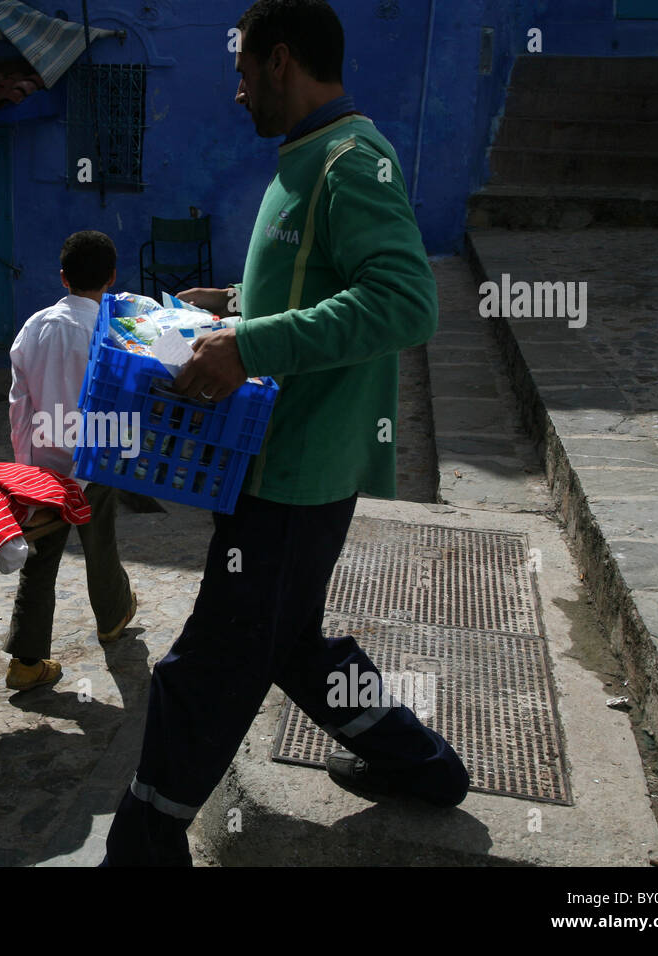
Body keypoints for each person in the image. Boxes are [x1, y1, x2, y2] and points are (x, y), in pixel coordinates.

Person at [103, 0, 470, 866]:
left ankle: (142, 846)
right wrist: (235, 308)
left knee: (202, 674)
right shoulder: (302, 162)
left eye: (240, 72)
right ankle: (425, 765)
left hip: (292, 478)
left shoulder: (352, 160)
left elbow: (406, 302)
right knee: (295, 645)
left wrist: (254, 342)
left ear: (279, 61)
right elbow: (320, 285)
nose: (235, 92)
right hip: (277, 469)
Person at [4, 231, 136, 692]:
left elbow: (19, 404)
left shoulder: (33, 327)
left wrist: (25, 467)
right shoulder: (110, 333)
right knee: (100, 542)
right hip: (91, 462)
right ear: (113, 278)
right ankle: (113, 617)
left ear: (62, 277)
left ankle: (25, 659)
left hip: (42, 465)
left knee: (39, 557)